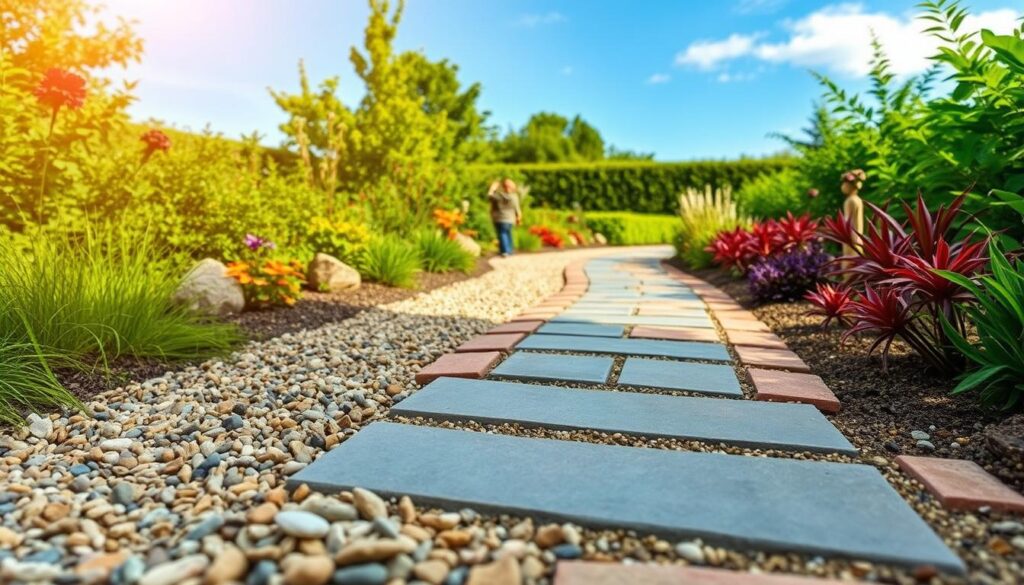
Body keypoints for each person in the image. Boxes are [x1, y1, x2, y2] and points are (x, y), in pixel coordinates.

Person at [488, 177, 522, 257]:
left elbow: (489, 196)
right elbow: (517, 208)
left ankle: (504, 251)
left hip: (500, 218)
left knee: (502, 234)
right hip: (510, 219)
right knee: (508, 233)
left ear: (503, 186)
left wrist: (492, 188)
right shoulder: (514, 196)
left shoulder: (498, 196)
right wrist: (518, 217)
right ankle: (509, 250)